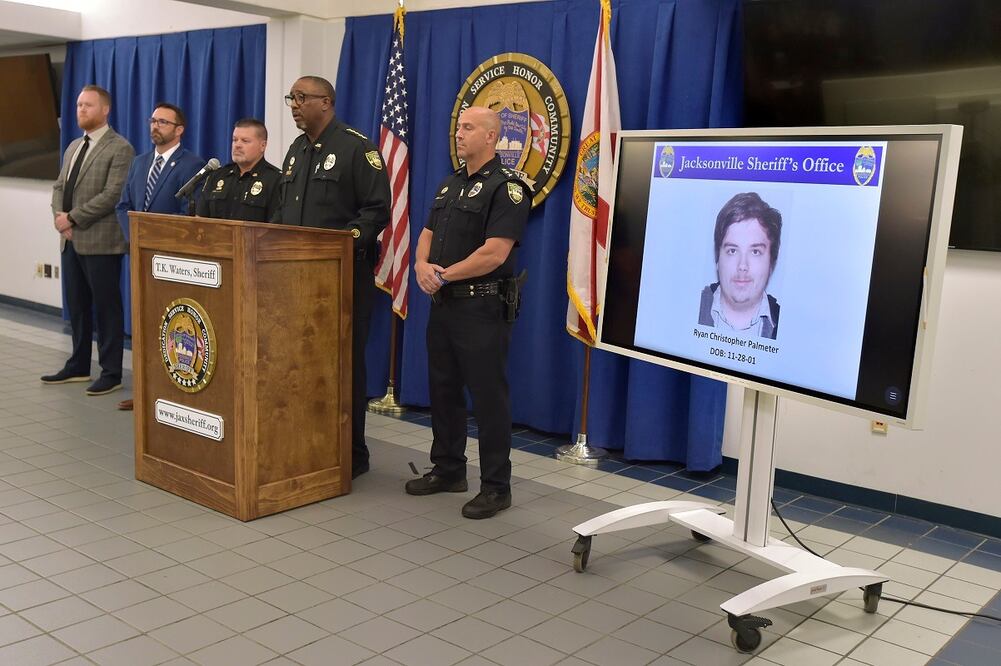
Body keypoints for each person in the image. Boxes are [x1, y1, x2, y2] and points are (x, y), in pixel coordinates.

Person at [406, 106, 531, 520]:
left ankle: (496, 487)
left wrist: (443, 277)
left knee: (488, 398)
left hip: (481, 307)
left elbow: (494, 253)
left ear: (492, 137)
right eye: (458, 126)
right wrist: (422, 267)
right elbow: (425, 234)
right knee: (443, 390)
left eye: (468, 127)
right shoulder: (449, 184)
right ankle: (448, 469)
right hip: (444, 306)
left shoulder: (507, 188)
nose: (458, 133)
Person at [273, 75, 391, 479]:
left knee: (343, 364)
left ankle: (351, 450)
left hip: (342, 280)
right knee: (299, 363)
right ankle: (308, 436)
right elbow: (283, 212)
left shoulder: (357, 149)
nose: (294, 104)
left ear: (326, 102)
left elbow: (376, 212)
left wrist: (343, 243)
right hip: (293, 280)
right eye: (292, 97)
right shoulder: (295, 151)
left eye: (301, 97)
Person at [42, 85, 135, 396]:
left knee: (107, 308)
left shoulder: (120, 148)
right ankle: (78, 365)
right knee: (78, 306)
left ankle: (111, 373)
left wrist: (73, 217)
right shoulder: (72, 146)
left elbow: (112, 195)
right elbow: (59, 187)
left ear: (105, 110)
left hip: (101, 241)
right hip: (70, 240)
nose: (80, 110)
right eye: (79, 104)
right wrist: (60, 217)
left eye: (88, 105)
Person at [114, 102, 204, 410]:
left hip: (170, 262)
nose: (156, 126)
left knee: (171, 328)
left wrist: (156, 242)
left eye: (163, 122)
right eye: (153, 120)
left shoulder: (192, 165)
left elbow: (186, 215)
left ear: (179, 130)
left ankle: (171, 393)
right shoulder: (139, 163)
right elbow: (123, 206)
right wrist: (136, 239)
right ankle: (145, 392)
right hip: (140, 257)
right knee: (144, 325)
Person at [698, 192, 782, 340]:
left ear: (771, 263)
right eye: (732, 250)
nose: (742, 266)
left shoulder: (786, 324)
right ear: (718, 258)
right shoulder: (688, 308)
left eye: (755, 252)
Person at [196, 118, 280, 222]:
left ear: (262, 146)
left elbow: (276, 228)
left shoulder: (275, 180)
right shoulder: (217, 176)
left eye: (245, 141)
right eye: (235, 140)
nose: (237, 145)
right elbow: (200, 220)